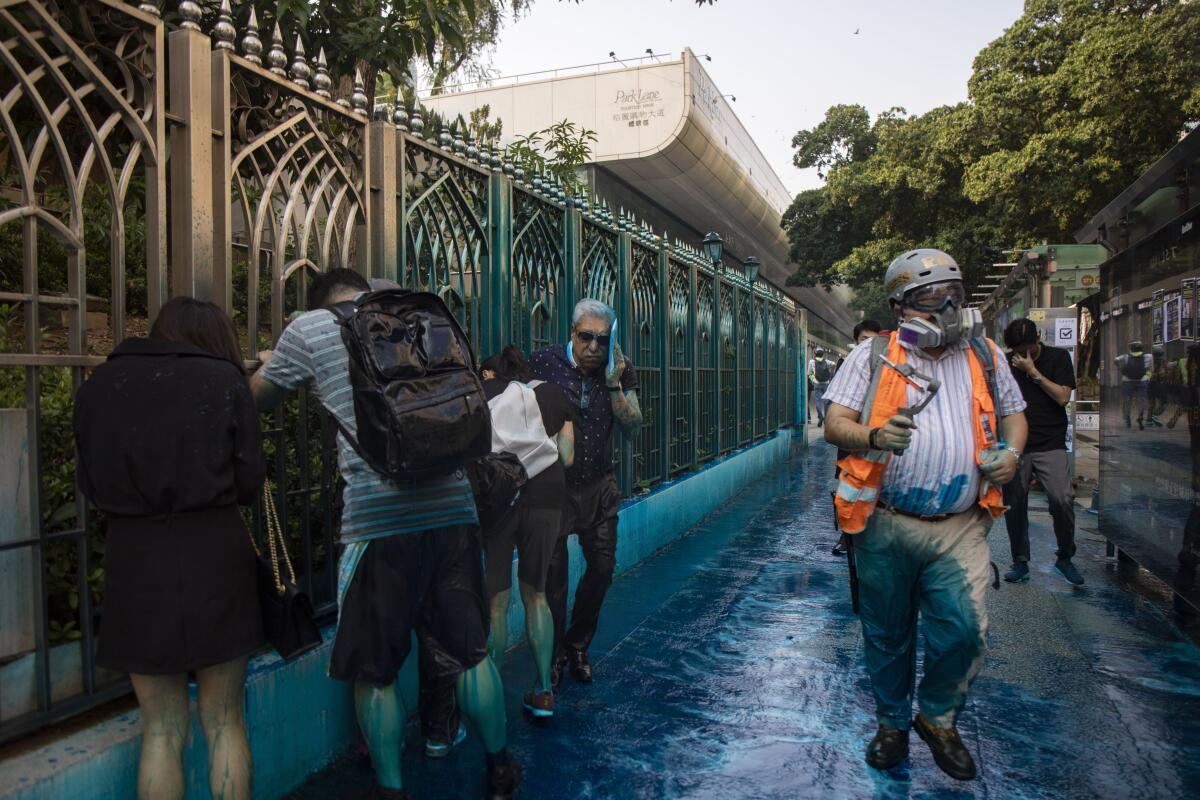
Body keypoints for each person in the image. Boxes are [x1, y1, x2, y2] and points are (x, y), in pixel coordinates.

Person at [249, 269, 519, 800]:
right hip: (453, 511)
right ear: (366, 293)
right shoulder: (418, 318)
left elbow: (255, 398)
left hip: (378, 523)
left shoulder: (310, 330)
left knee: (376, 672)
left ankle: (391, 789)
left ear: (321, 302)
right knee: (472, 652)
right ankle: (501, 770)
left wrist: (267, 365)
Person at [823, 248, 1027, 781]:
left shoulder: (984, 354)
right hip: (886, 524)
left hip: (960, 526)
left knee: (964, 631)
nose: (947, 309)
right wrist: (872, 435)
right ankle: (892, 724)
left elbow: (1014, 417)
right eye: (931, 299)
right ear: (900, 309)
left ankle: (936, 719)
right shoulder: (871, 357)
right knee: (887, 634)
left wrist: (1011, 455)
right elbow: (834, 423)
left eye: (954, 296)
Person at [74, 297, 265, 800]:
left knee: (160, 730)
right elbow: (250, 482)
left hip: (135, 559)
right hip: (216, 555)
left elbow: (91, 485)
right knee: (224, 721)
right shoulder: (225, 382)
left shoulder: (97, 387)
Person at [530, 298, 642, 689]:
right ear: (572, 334)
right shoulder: (541, 363)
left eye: (602, 339)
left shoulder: (619, 370)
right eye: (586, 337)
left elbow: (634, 425)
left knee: (603, 567)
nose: (593, 347)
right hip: (553, 489)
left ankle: (578, 645)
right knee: (553, 580)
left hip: (599, 485)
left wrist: (613, 383)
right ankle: (557, 654)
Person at [480, 346, 576, 718]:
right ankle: (544, 691)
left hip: (499, 494)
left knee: (497, 602)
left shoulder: (483, 391)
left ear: (493, 374)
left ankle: (488, 696)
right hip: (547, 493)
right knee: (536, 595)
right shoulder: (553, 393)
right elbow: (566, 456)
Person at [1000, 318, 1083, 586]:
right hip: (1016, 445)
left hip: (1051, 443)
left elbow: (1062, 397)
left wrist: (1033, 371)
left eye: (1027, 349)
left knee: (1062, 499)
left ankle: (1065, 557)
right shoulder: (1004, 363)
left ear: (1038, 340)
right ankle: (1020, 561)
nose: (1022, 356)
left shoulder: (1058, 358)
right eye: (1017, 351)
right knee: (1015, 504)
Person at [832, 320, 885, 557]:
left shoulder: (888, 364)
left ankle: (865, 534)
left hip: (878, 440)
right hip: (852, 437)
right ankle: (847, 536)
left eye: (874, 339)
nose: (870, 344)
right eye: (865, 340)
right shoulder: (848, 365)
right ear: (856, 342)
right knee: (848, 489)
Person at [1114, 340, 1153, 429]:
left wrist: (1120, 368)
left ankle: (1127, 419)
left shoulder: (1126, 356)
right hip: (1142, 380)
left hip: (1127, 381)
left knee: (1127, 400)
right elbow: (1151, 368)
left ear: (1131, 349)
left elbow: (1115, 359)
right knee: (1141, 400)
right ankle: (1140, 416)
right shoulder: (1148, 356)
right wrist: (1148, 376)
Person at [808, 347, 835, 427]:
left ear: (815, 353)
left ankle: (820, 416)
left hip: (817, 383)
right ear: (823, 354)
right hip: (826, 383)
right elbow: (834, 364)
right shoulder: (826, 361)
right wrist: (830, 373)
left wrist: (813, 379)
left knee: (818, 401)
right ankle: (826, 419)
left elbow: (809, 372)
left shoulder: (812, 361)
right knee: (826, 401)